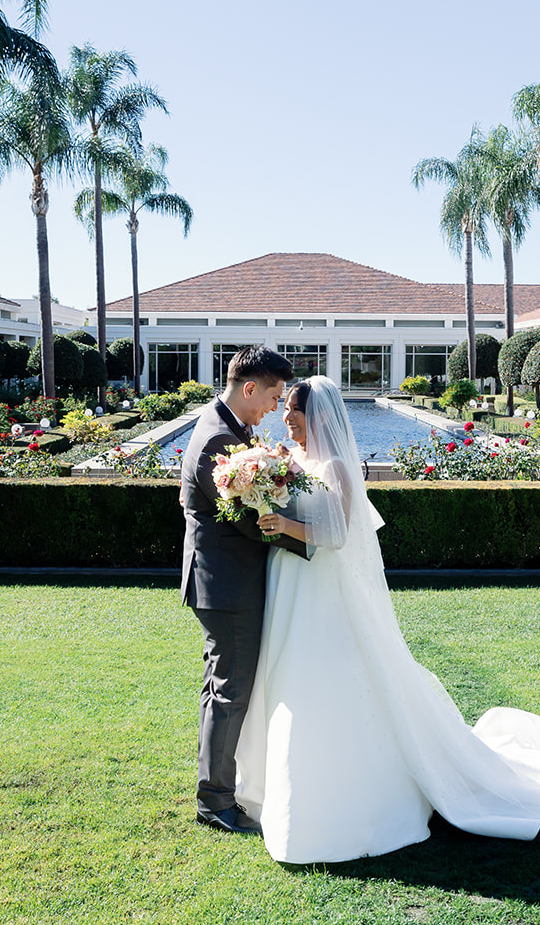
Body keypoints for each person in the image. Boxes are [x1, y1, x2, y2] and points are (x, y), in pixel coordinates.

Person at [235, 375, 540, 864]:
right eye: (284, 410)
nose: (286, 418)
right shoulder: (289, 462)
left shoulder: (338, 467)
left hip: (324, 591)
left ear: (318, 416)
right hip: (289, 584)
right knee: (289, 675)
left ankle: (349, 797)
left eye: (294, 411)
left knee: (332, 679)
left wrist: (284, 524)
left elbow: (340, 534)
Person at [179, 345, 310, 835]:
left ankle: (217, 790)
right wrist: (312, 539)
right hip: (227, 585)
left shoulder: (227, 428)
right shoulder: (218, 439)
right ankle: (215, 802)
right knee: (229, 692)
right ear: (250, 387)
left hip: (226, 581)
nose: (276, 408)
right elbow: (252, 521)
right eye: (274, 396)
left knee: (223, 689)